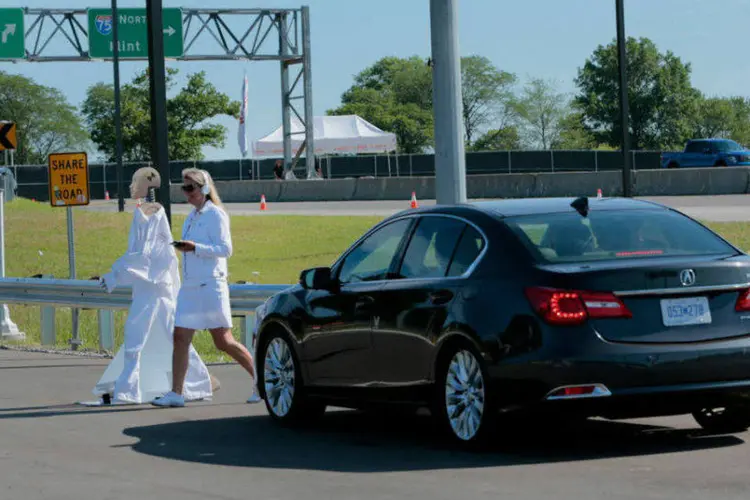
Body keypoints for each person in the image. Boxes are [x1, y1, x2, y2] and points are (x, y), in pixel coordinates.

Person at [83, 167, 214, 406]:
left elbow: (146, 254)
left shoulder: (153, 212)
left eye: (136, 181)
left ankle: (130, 389)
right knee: (162, 333)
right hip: (151, 284)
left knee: (137, 335)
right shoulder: (144, 211)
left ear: (147, 184)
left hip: (154, 285)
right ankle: (195, 382)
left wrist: (113, 276)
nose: (132, 186)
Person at [152, 168, 261, 408]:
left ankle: (262, 382)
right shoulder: (191, 216)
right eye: (184, 187)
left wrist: (195, 248)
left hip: (211, 285)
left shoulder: (216, 215)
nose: (186, 192)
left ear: (203, 189)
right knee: (180, 336)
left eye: (190, 187)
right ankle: (176, 393)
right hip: (190, 287)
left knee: (223, 341)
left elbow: (225, 249)